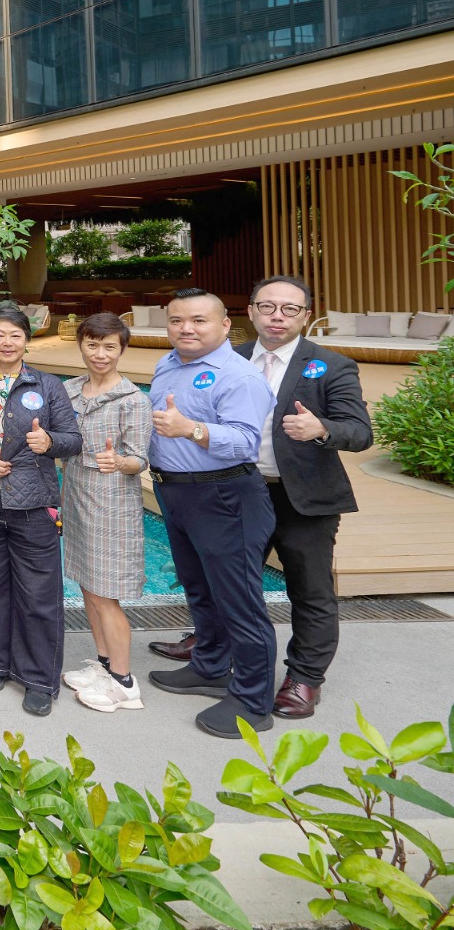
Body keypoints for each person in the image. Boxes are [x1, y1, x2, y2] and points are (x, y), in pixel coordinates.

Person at [230, 277, 370, 717]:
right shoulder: (229, 361)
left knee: (309, 591)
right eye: (267, 306)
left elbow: (360, 432)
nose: (277, 316)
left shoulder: (331, 365)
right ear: (251, 311)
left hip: (304, 499)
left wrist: (323, 429)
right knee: (229, 582)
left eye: (289, 309)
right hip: (240, 492)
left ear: (306, 315)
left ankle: (305, 678)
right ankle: (213, 650)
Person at [144, 288, 277, 739]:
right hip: (177, 494)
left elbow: (244, 442)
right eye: (177, 320)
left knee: (239, 601)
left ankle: (254, 699)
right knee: (200, 590)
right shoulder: (168, 365)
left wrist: (191, 429)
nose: (186, 328)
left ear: (225, 326)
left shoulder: (238, 376)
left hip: (224, 495)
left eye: (199, 320)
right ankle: (210, 667)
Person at [0, 303, 83, 716]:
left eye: (15, 334)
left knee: (38, 595)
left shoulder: (48, 385)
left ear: (26, 339)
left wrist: (49, 442)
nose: (8, 342)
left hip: (34, 504)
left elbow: (73, 438)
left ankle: (38, 677)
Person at [58, 313, 154, 714]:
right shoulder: (68, 391)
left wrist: (120, 462)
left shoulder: (133, 400)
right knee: (86, 583)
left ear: (122, 350)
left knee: (106, 594)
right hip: (77, 496)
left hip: (111, 503)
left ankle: (123, 682)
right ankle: (103, 663)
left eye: (110, 346)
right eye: (93, 344)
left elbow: (140, 460)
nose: (100, 354)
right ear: (81, 345)